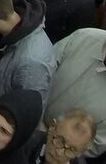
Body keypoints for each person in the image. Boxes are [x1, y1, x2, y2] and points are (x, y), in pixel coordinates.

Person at [46, 28, 106, 159]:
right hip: (25, 125)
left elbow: (97, 145)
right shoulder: (83, 37)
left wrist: (63, 148)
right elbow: (42, 72)